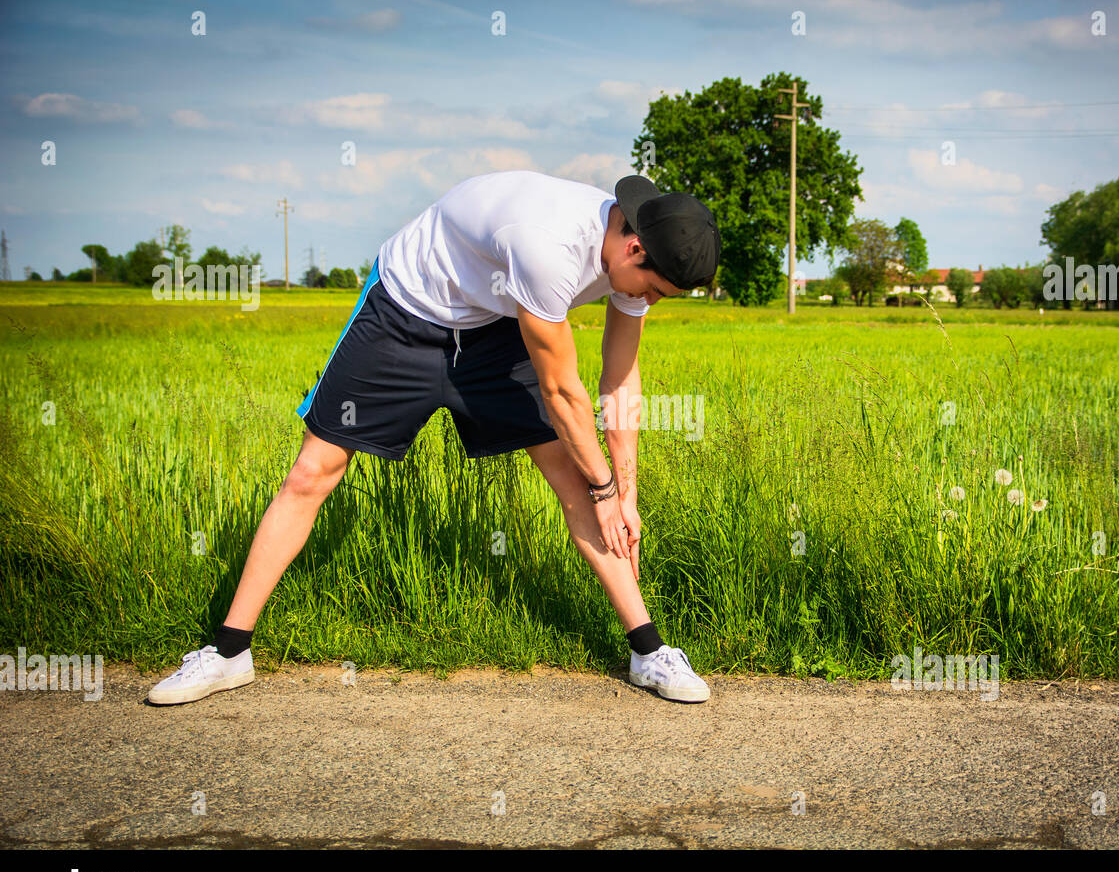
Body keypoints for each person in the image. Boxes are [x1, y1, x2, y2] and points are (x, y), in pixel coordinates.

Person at [148, 170, 722, 706]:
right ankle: (228, 652)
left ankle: (648, 652)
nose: (648, 301)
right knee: (313, 471)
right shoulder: (548, 246)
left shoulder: (640, 247)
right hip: (404, 312)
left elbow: (619, 379)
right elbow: (564, 393)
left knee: (575, 480)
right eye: (654, 290)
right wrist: (604, 490)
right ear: (632, 247)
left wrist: (625, 491)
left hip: (491, 327)